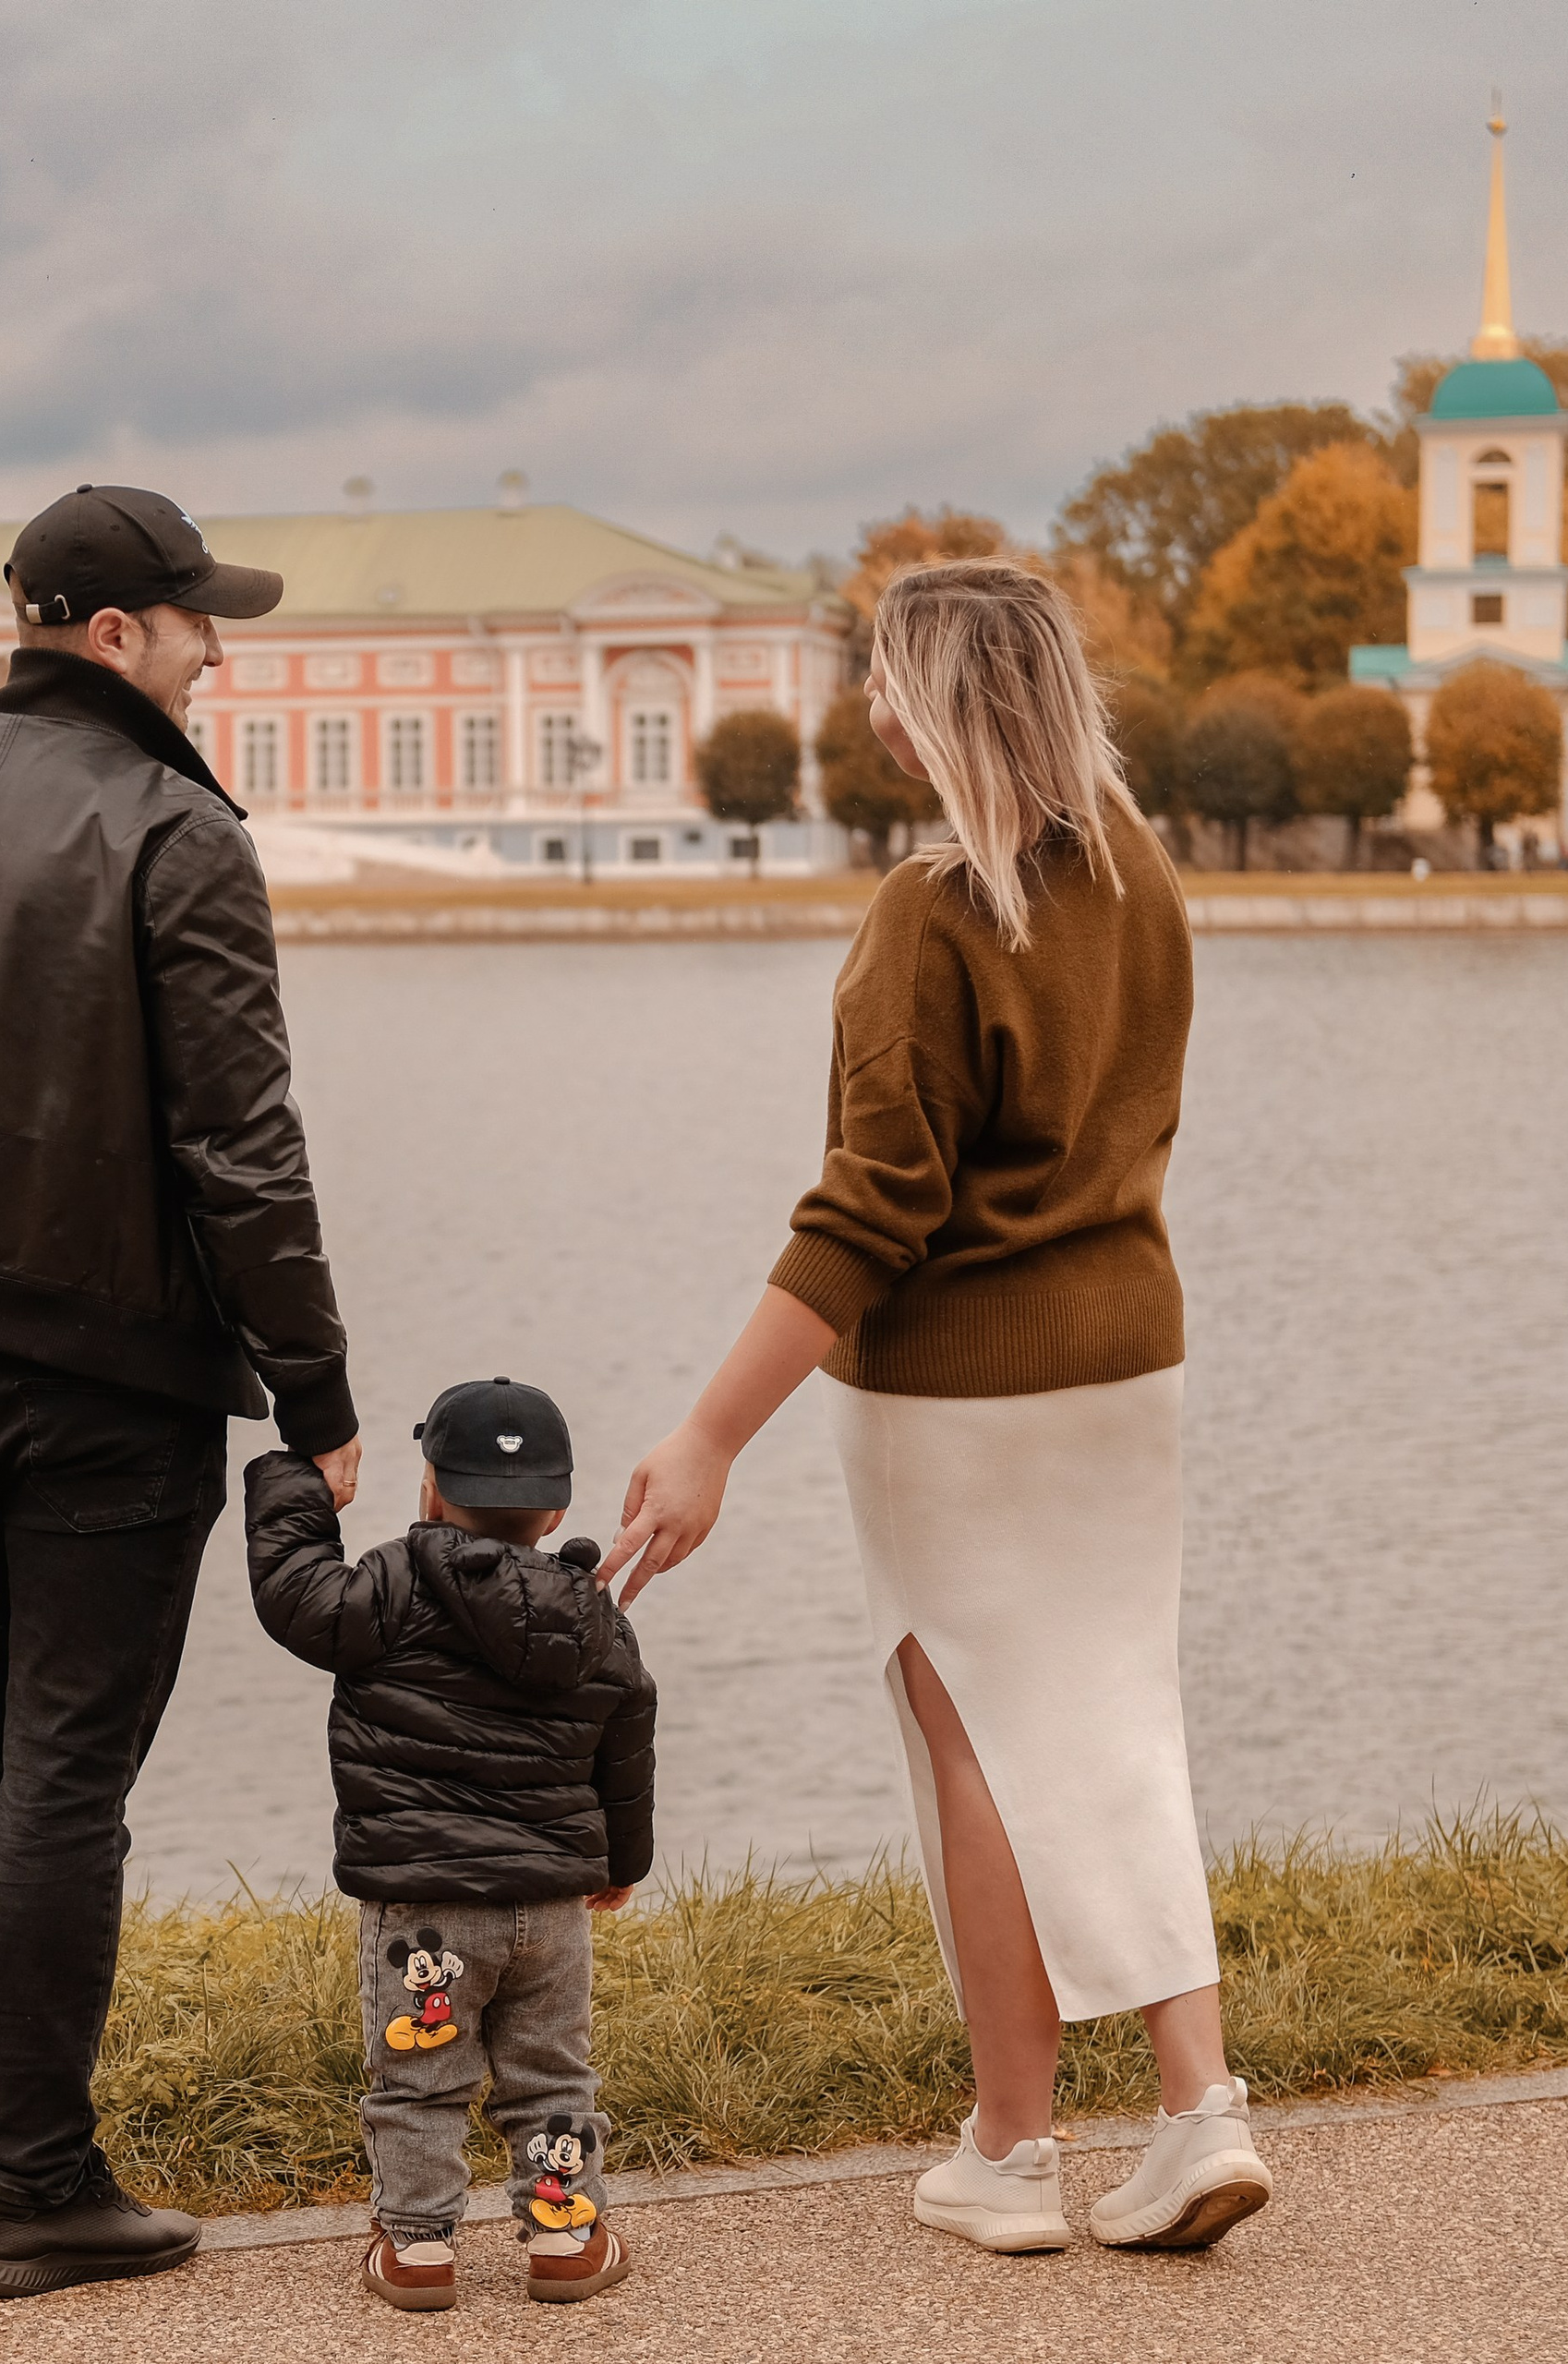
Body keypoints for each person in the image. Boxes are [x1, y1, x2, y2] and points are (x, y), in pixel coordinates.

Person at [598, 560, 1271, 2258]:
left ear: (942, 702)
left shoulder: (934, 911)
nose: (871, 707)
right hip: (1133, 1368)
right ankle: (1199, 2110)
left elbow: (870, 1211)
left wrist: (710, 1435)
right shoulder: (1147, 879)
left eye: (888, 680)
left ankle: (1012, 2147)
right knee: (1116, 1726)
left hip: (967, 1392)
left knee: (973, 1733)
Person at [0, 485, 361, 2301]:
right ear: (111, 631)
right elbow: (240, 1148)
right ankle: (35, 2179)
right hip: (111, 1370)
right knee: (63, 1773)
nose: (212, 647)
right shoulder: (174, 829)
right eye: (194, 620)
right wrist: (313, 1390)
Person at [245, 1378, 654, 2312]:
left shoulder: (388, 1584)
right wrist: (619, 1860)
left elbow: (289, 1592)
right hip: (551, 1906)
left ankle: (418, 2250)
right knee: (552, 2073)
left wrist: (293, 1482)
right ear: (555, 1507)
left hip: (422, 1907)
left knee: (421, 2078)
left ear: (430, 1491)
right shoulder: (593, 1614)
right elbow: (627, 1738)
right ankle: (566, 2240)